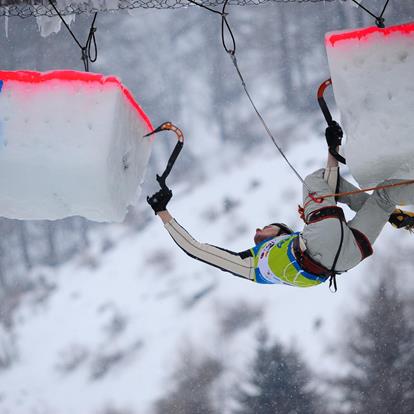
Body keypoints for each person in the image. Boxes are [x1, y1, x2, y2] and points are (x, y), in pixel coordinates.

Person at [147, 127, 414, 289]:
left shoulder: (262, 269)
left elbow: (329, 197)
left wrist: (333, 149)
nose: (257, 230)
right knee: (315, 182)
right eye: (263, 230)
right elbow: (197, 250)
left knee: (384, 195)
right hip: (324, 247)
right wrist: (163, 213)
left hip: (347, 259)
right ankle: (393, 216)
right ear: (280, 233)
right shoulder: (252, 264)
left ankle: (396, 217)